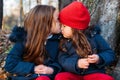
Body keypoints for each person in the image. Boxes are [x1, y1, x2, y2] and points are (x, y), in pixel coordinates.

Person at [55, 1, 115, 80]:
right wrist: (76, 64)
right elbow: (62, 59)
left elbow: (109, 53)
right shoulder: (64, 41)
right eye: (61, 25)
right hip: (73, 74)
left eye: (64, 26)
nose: (61, 29)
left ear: (75, 27)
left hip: (93, 73)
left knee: (106, 79)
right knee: (60, 77)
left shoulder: (94, 36)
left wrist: (99, 58)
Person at [4, 5, 62, 80]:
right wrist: (33, 68)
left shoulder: (58, 40)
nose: (60, 22)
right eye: (57, 19)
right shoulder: (24, 39)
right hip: (25, 77)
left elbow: (61, 62)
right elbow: (10, 64)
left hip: (47, 77)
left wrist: (52, 69)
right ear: (45, 24)